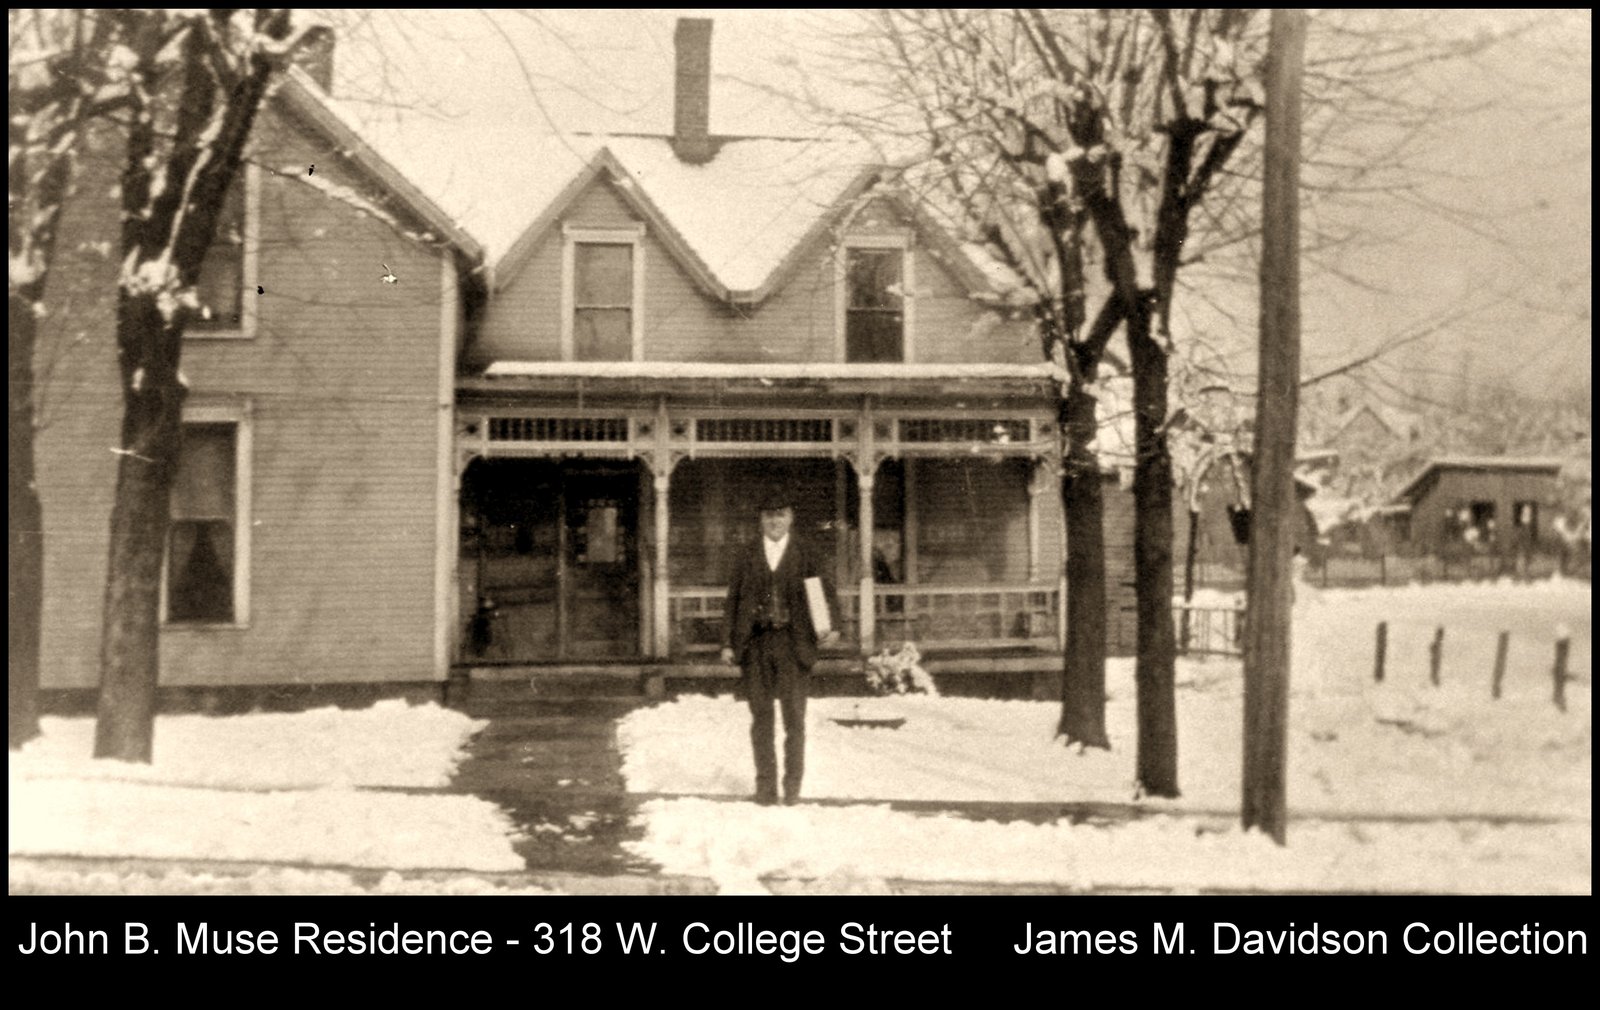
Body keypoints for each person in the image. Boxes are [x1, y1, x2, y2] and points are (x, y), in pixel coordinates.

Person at [720, 486, 839, 805]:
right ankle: (765, 788)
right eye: (769, 515)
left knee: (794, 720)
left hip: (792, 644)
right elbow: (733, 600)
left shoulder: (806, 552)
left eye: (781, 514)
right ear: (761, 519)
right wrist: (728, 643)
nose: (775, 521)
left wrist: (830, 626)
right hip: (756, 644)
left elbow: (822, 593)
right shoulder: (746, 554)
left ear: (791, 517)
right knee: (761, 719)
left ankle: (792, 789)